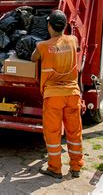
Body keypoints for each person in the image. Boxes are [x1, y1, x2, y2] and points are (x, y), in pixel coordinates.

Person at [31, 10, 84, 179]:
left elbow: (33, 58)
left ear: (49, 26)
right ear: (65, 26)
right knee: (74, 132)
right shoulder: (73, 40)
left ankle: (55, 168)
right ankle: (76, 167)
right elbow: (75, 45)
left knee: (53, 133)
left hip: (53, 96)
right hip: (73, 94)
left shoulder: (43, 46)